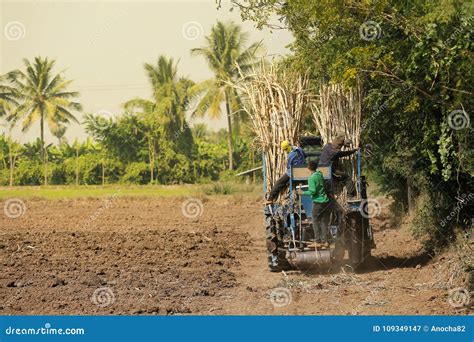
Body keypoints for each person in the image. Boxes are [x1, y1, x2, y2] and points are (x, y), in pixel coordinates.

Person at [299, 160, 331, 249]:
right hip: (325, 202)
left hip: (318, 202)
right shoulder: (320, 174)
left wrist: (302, 193)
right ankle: (325, 241)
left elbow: (312, 191)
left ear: (308, 168)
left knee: (315, 220)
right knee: (324, 221)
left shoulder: (311, 178)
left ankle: (317, 241)